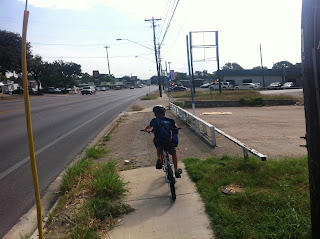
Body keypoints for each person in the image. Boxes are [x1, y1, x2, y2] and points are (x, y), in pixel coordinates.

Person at [144, 105, 182, 178]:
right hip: (171, 142)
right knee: (173, 153)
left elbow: (148, 127)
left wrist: (146, 130)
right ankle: (176, 170)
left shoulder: (155, 121)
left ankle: (159, 159)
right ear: (164, 113)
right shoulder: (170, 120)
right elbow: (176, 128)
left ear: (155, 114)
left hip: (160, 142)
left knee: (158, 146)